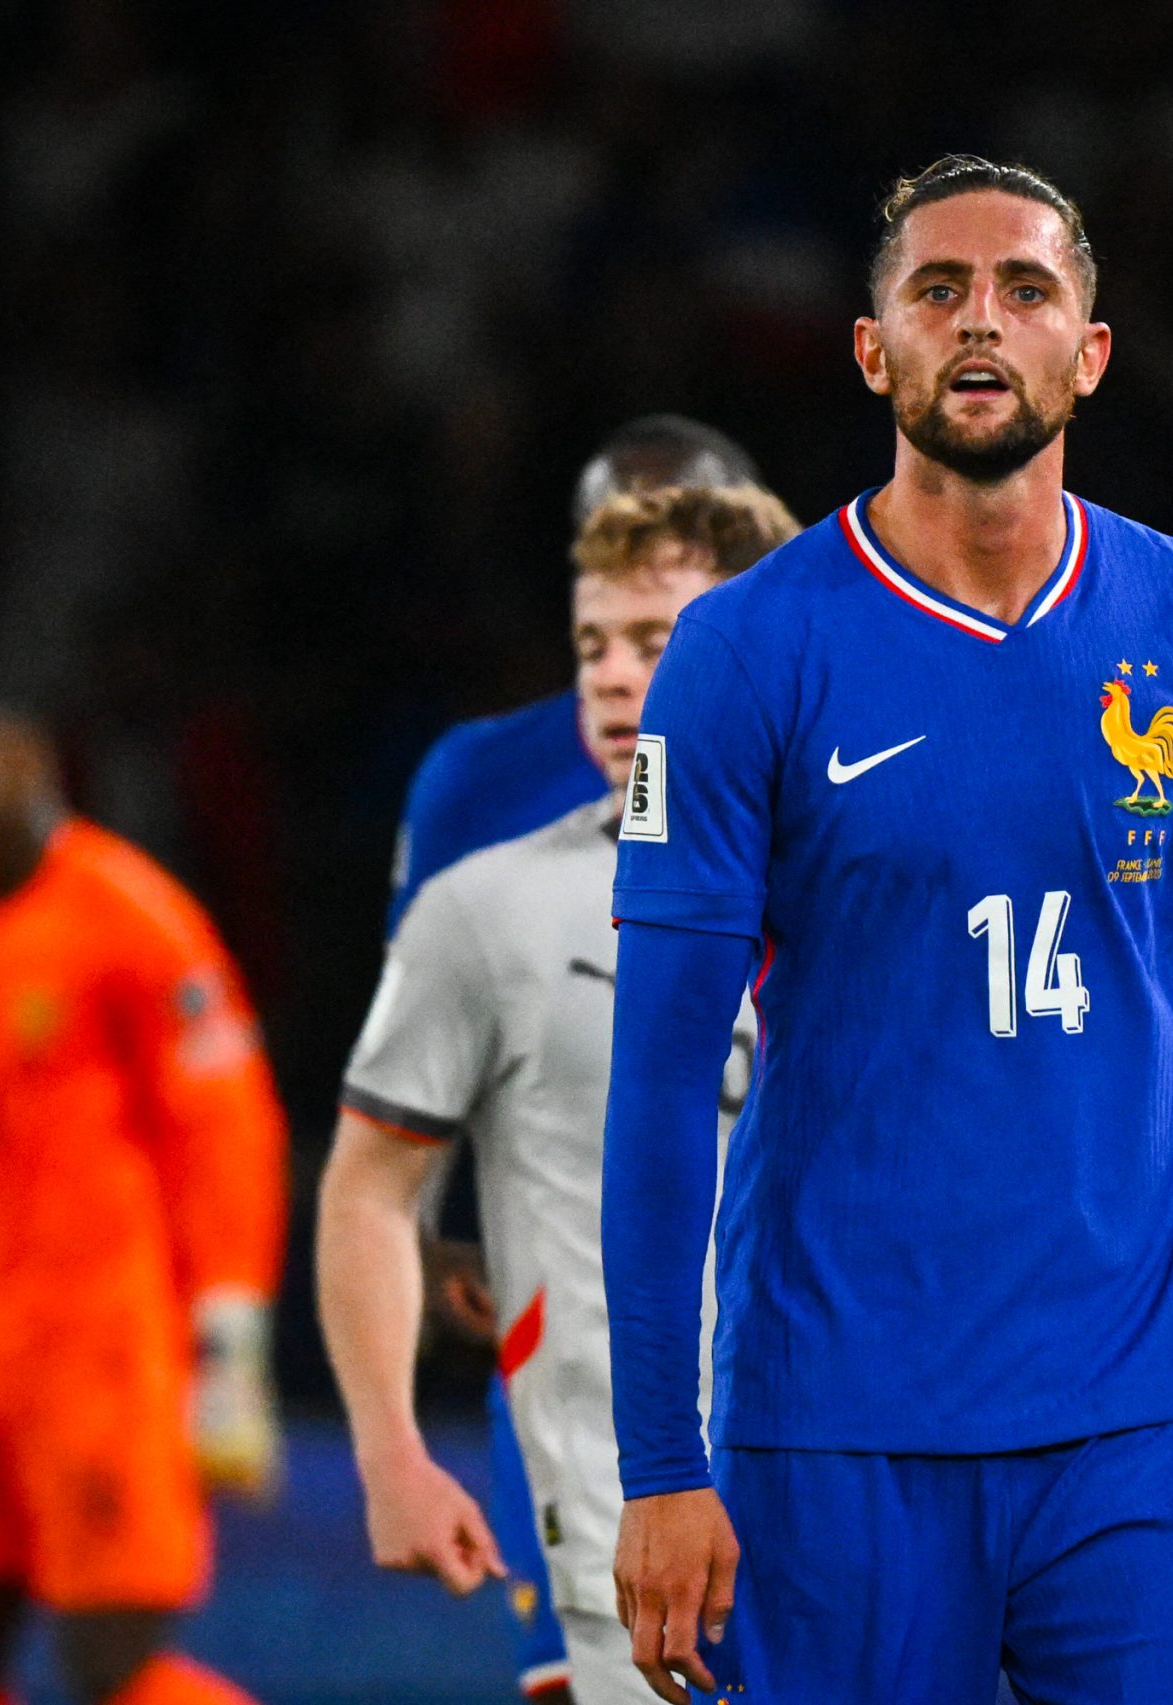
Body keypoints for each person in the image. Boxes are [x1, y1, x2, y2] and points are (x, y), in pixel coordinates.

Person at [602, 155, 1173, 1705]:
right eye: (938, 290)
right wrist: (661, 1461)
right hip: (837, 1421)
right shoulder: (744, 652)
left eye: (1025, 289)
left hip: (1137, 1406)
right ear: (875, 352)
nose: (981, 320)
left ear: (1091, 352)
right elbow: (661, 1075)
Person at [320, 480, 796, 1704]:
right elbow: (369, 1187)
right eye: (593, 645)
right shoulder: (487, 909)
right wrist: (389, 1451)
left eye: (654, 640)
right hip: (626, 1536)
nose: (612, 677)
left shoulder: (899, 881)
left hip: (886, 1509)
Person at [0, 682, 286, 1705]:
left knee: (111, 1667)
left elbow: (226, 1133)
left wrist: (230, 1346)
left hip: (104, 1352)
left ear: (27, 756)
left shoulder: (135, 916)